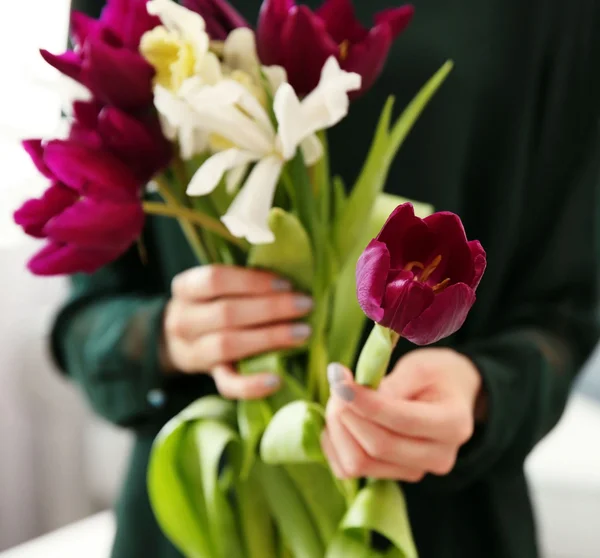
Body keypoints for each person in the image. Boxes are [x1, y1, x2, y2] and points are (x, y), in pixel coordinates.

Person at [54, 1, 600, 557]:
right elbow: (86, 318)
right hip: (204, 517)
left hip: (446, 521)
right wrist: (167, 335)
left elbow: (566, 308)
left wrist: (482, 393)